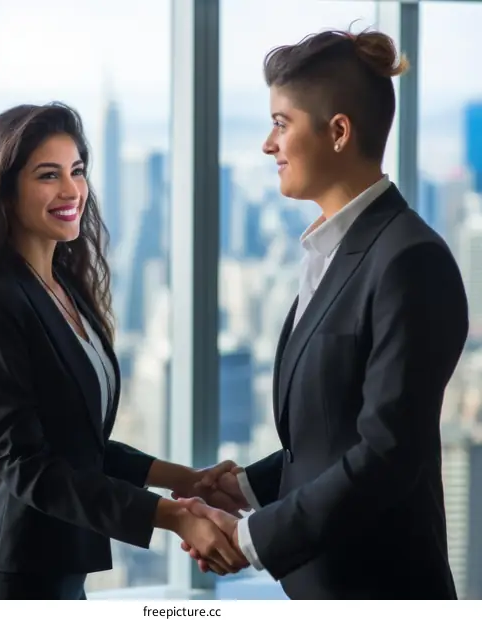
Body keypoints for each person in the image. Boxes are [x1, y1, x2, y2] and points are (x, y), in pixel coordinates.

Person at [178, 29, 469, 599]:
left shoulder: (410, 260)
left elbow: (387, 454)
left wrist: (253, 538)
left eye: (281, 123)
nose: (268, 144)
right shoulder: (334, 252)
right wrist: (246, 487)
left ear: (338, 132)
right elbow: (331, 431)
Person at [0, 102, 248, 600]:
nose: (71, 190)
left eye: (77, 172)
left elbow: (80, 444)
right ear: (4, 193)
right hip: (16, 580)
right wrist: (173, 516)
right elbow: (30, 468)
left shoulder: (64, 291)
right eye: (48, 176)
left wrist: (189, 480)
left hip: (64, 575)